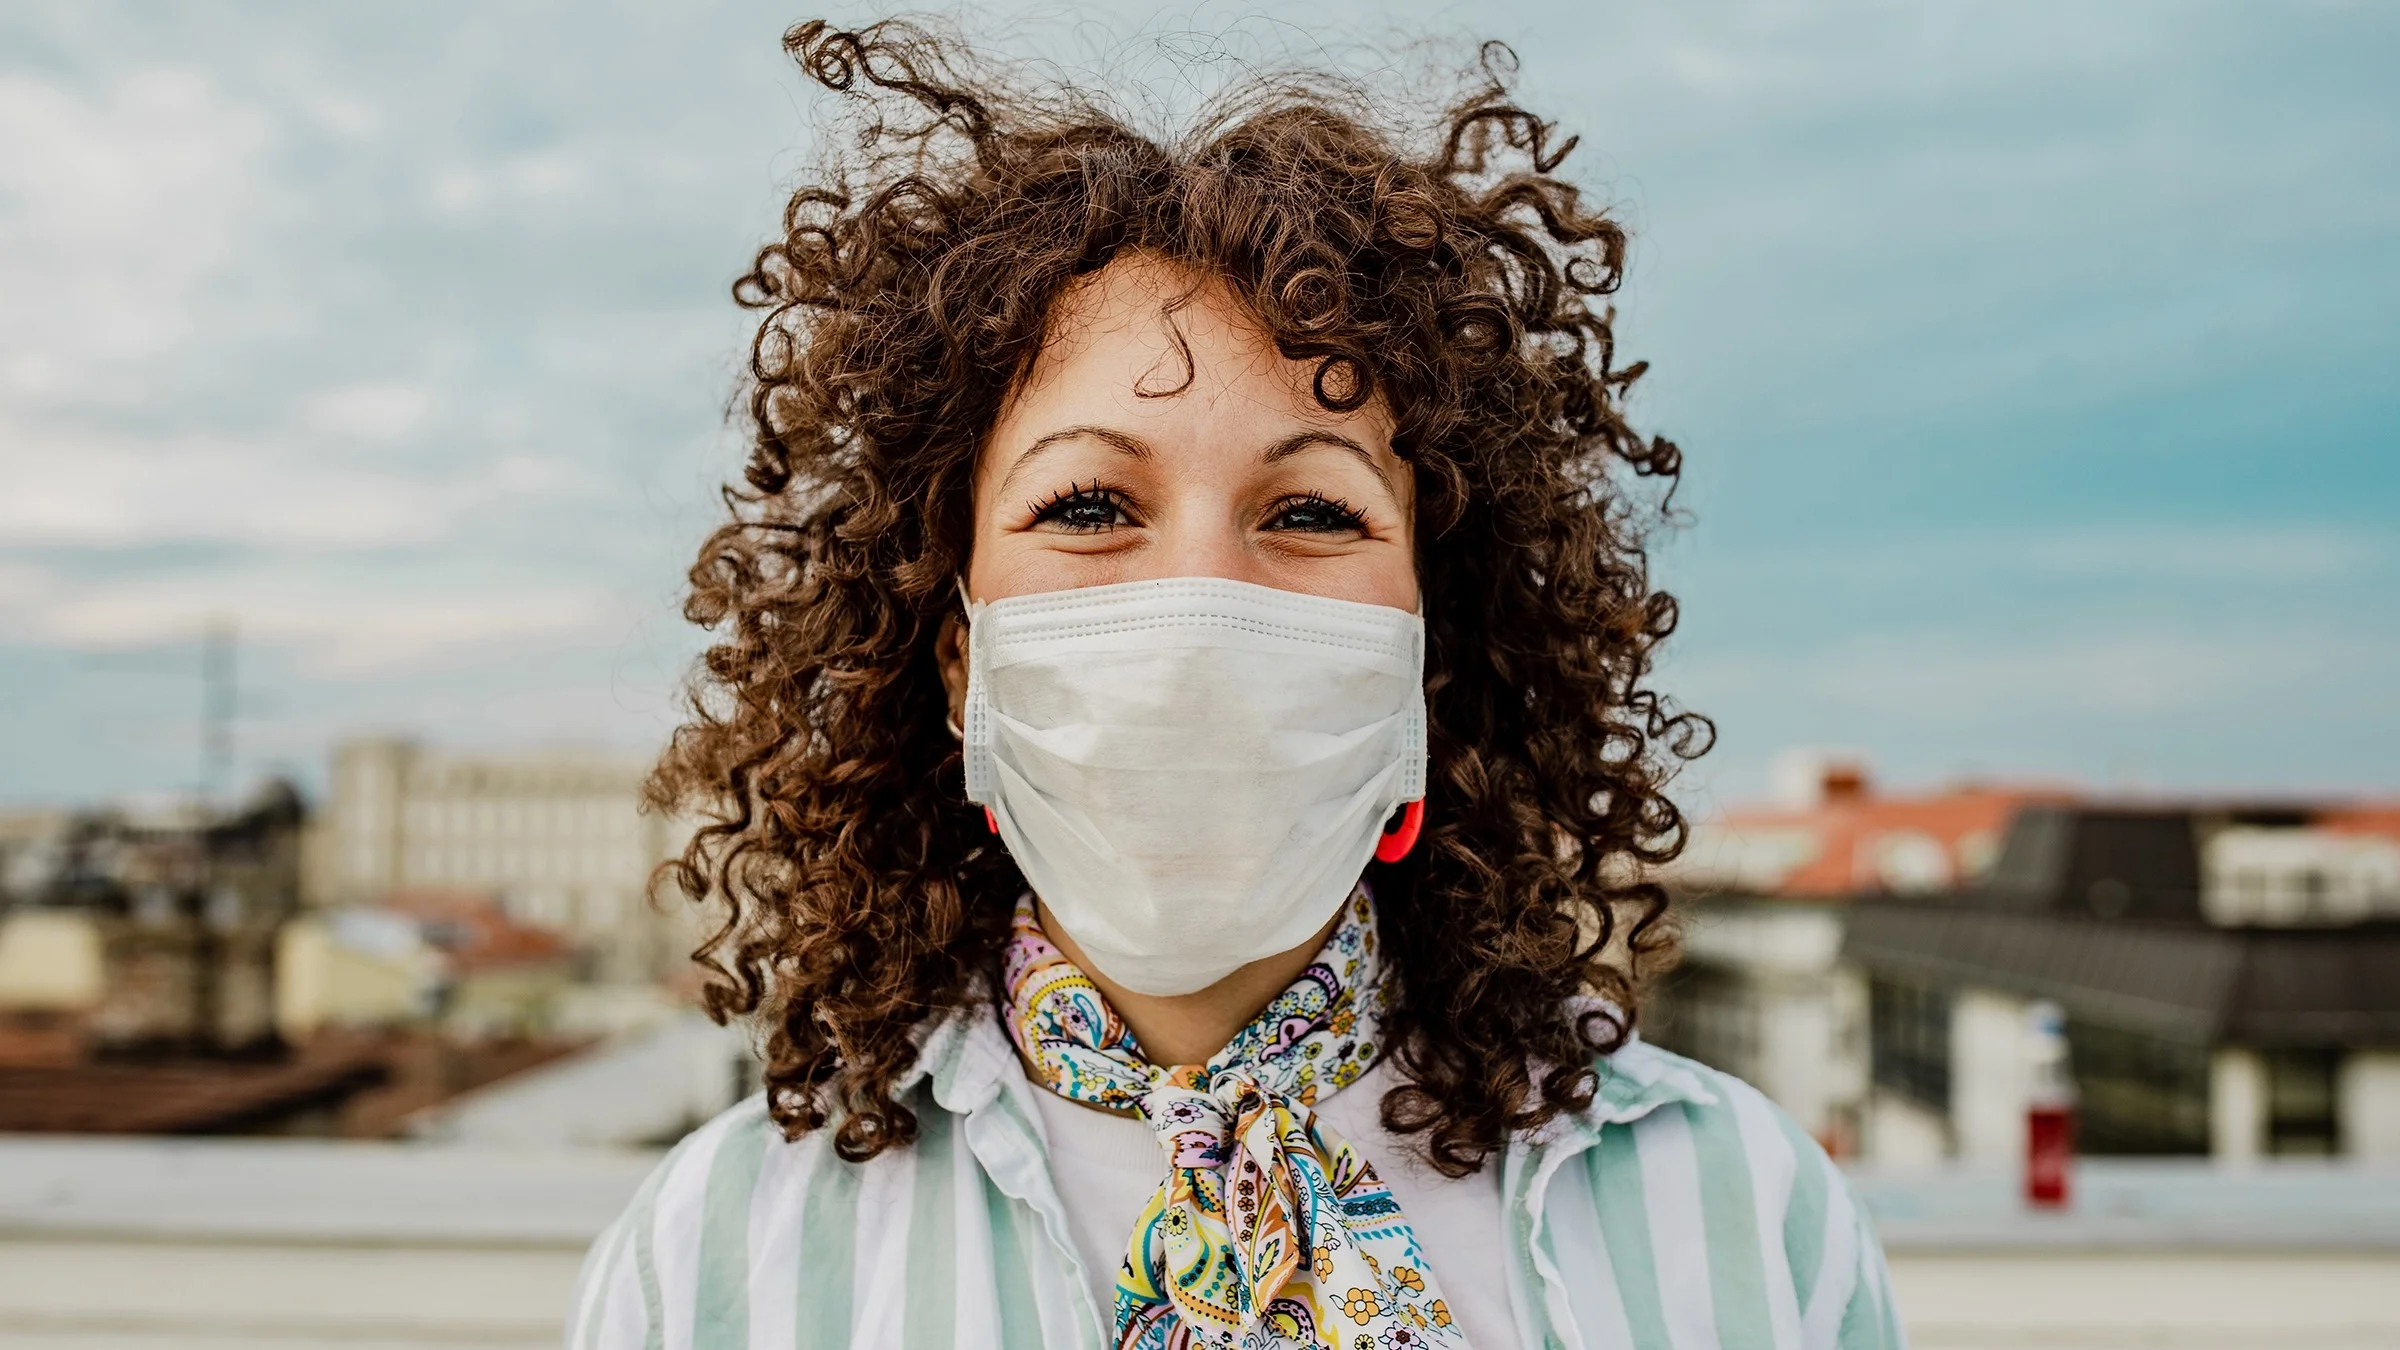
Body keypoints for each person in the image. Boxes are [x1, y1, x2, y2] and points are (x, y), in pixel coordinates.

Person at [573, 19, 1903, 1350]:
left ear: (1429, 661)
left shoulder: (1742, 1212)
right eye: (1090, 503)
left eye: (1313, 512)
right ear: (958, 659)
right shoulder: (717, 1266)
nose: (1200, 603)